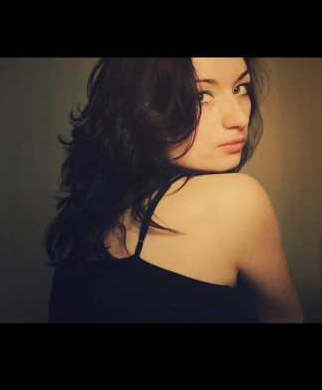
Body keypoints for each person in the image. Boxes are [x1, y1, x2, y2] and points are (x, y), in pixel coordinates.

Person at [45, 57, 303, 323]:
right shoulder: (236, 201)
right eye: (201, 95)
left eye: (240, 88)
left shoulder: (83, 219)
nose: (238, 118)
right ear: (141, 102)